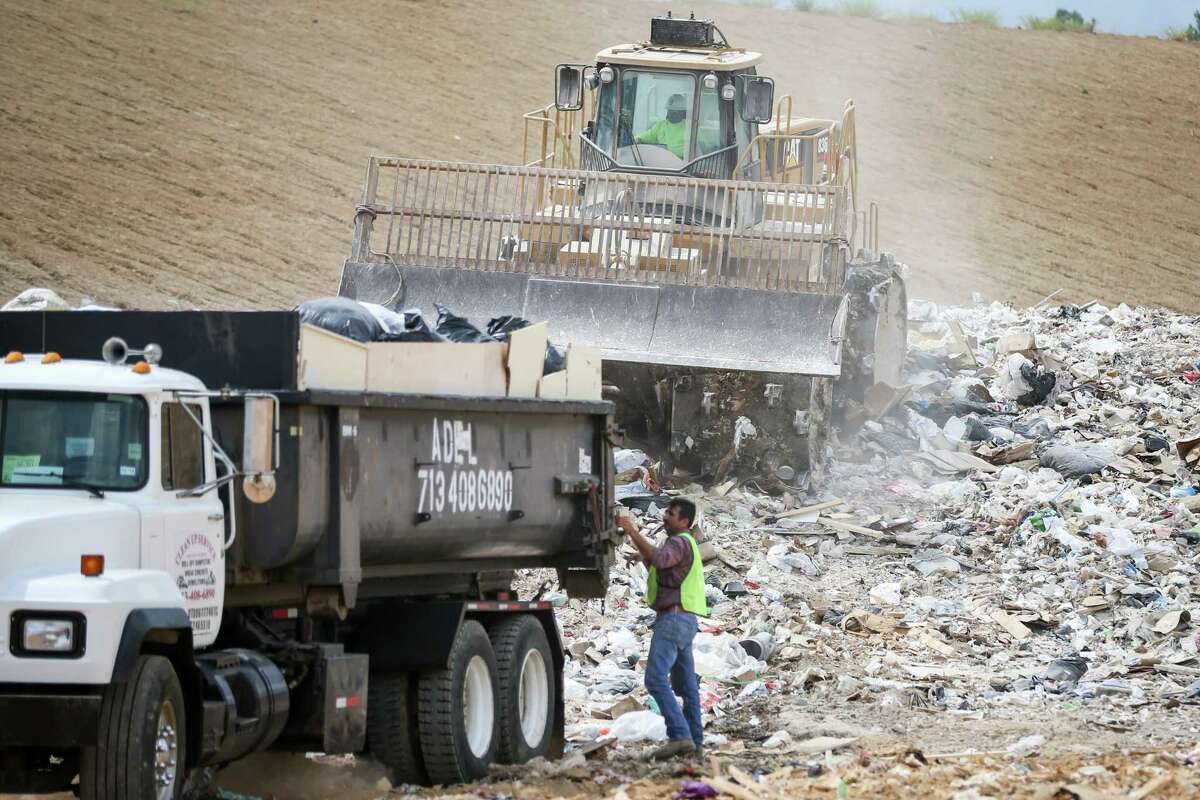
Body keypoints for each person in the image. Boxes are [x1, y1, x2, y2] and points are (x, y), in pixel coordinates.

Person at [615, 497, 706, 759]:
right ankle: (695, 744)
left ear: (685, 522)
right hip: (685, 621)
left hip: (674, 620)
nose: (665, 516)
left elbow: (660, 559)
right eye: (666, 511)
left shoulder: (678, 542)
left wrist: (632, 530)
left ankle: (680, 736)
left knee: (654, 679)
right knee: (687, 687)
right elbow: (663, 568)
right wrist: (642, 556)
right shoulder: (685, 543)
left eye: (671, 514)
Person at [635, 93, 690, 159]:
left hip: (682, 166)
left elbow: (700, 147)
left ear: (683, 113)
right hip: (661, 164)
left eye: (675, 112)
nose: (672, 114)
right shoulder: (661, 125)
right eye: (670, 110)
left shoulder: (690, 127)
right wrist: (637, 139)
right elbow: (647, 136)